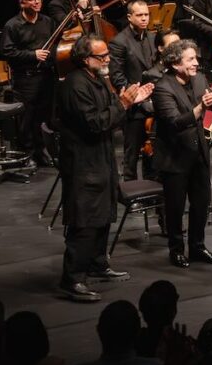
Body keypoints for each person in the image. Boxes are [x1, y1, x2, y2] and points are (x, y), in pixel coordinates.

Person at [56, 35, 152, 302]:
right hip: (83, 162)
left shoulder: (97, 79)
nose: (107, 59)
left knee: (103, 211)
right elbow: (95, 123)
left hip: (100, 157)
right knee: (86, 218)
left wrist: (126, 102)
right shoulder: (76, 85)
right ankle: (72, 278)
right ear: (86, 59)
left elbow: (110, 114)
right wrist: (123, 104)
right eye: (102, 56)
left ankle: (97, 264)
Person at [151, 39, 212, 269]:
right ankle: (176, 249)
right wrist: (201, 107)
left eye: (195, 58)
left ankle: (197, 246)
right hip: (175, 156)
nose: (196, 63)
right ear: (175, 64)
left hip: (198, 152)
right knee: (175, 207)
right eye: (190, 59)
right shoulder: (163, 87)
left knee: (201, 204)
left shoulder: (200, 78)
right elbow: (175, 123)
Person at [0, 0, 56, 166]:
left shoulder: (47, 22)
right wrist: (33, 55)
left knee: (43, 116)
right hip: (25, 79)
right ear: (22, 3)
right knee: (27, 118)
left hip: (46, 77)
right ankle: (27, 154)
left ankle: (41, 151)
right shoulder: (12, 25)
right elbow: (8, 52)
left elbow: (55, 46)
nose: (37, 2)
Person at [108, 0, 156, 180]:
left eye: (146, 15)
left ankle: (151, 188)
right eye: (140, 15)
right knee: (132, 153)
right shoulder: (119, 42)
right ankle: (131, 191)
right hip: (134, 105)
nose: (144, 18)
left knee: (152, 151)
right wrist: (137, 95)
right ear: (130, 17)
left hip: (154, 103)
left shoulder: (152, 37)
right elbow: (117, 76)